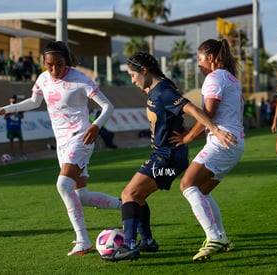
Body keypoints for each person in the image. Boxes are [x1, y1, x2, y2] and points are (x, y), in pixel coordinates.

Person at [0, 41, 122, 256]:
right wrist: (5, 109)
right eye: (49, 65)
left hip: (81, 137)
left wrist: (96, 126)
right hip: (62, 143)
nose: (54, 69)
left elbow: (108, 106)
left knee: (62, 185)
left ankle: (83, 240)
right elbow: (33, 101)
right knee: (82, 195)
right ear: (44, 63)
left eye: (59, 64)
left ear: (66, 61)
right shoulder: (43, 78)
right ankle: (128, 208)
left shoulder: (79, 79)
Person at [100, 51, 236, 262]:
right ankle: (147, 241)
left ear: (144, 70)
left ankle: (129, 245)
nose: (132, 80)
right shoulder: (156, 89)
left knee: (129, 194)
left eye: (133, 75)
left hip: (168, 157)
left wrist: (215, 131)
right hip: (166, 155)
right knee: (139, 196)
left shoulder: (163, 90)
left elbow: (194, 110)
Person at [170, 39, 245, 262]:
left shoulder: (215, 77)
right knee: (202, 191)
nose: (199, 64)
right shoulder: (230, 77)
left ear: (211, 58)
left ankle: (214, 236)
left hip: (223, 141)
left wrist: (187, 137)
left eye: (199, 59)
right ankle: (222, 236)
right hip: (234, 142)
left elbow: (208, 114)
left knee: (187, 184)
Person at [4, 95, 26, 159]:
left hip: (17, 126)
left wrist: (17, 115)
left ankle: (22, 153)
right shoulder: (7, 108)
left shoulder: (19, 108)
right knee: (11, 140)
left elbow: (22, 117)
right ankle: (12, 154)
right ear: (10, 100)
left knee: (21, 140)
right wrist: (11, 115)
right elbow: (5, 117)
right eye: (12, 99)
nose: (13, 100)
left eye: (14, 99)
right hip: (10, 127)